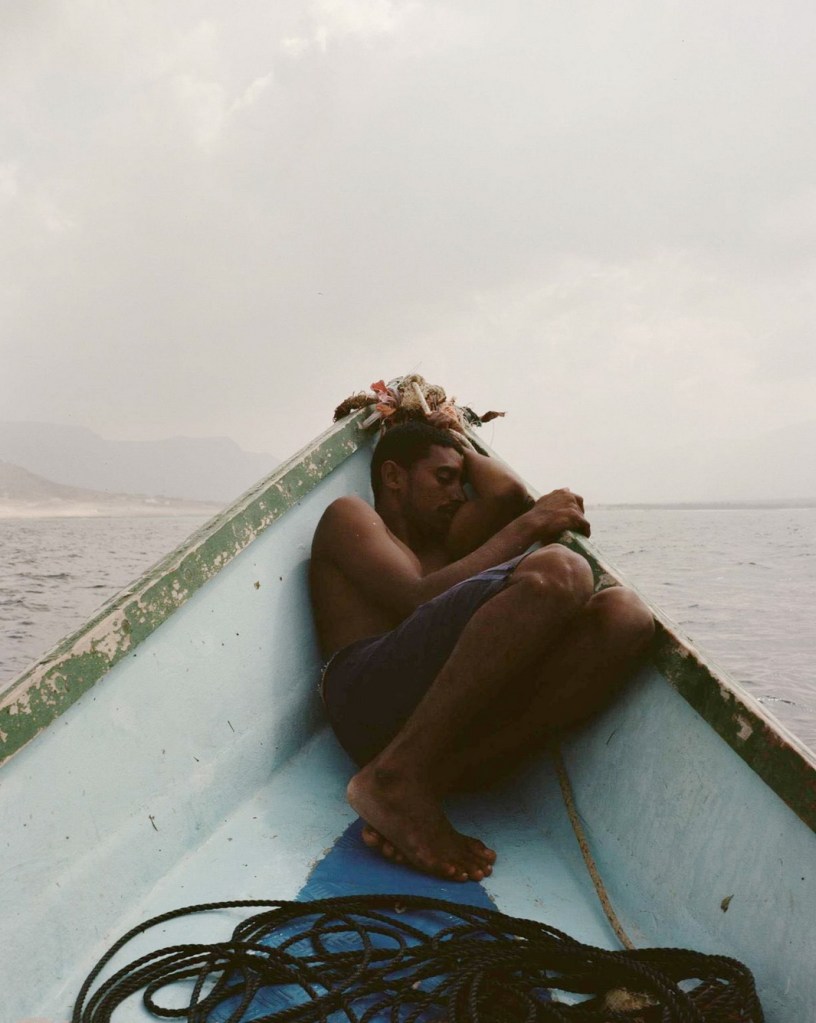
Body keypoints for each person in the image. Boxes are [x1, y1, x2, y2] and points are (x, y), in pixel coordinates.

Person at [309, 421, 654, 883]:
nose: (458, 495)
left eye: (461, 480)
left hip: (441, 727)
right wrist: (532, 523)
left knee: (625, 617)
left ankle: (420, 782)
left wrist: (453, 431)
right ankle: (397, 776)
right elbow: (415, 598)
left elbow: (507, 492)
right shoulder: (350, 516)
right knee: (564, 571)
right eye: (443, 479)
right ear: (393, 477)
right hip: (363, 699)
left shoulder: (450, 545)